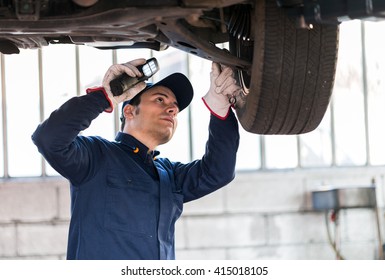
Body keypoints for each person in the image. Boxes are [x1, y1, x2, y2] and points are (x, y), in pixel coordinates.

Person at [31, 58, 241, 260]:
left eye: (174, 108)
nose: (172, 109)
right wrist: (105, 96)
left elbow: (218, 172)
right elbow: (48, 138)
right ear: (130, 111)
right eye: (160, 99)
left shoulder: (170, 177)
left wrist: (220, 111)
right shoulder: (97, 157)